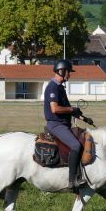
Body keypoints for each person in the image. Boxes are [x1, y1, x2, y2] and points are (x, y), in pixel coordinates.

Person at [44, 59, 94, 192]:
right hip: (56, 125)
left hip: (64, 124)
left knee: (82, 140)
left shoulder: (60, 88)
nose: (69, 75)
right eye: (68, 72)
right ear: (61, 71)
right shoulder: (53, 87)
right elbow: (55, 109)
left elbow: (67, 108)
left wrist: (84, 118)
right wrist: (72, 109)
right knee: (76, 145)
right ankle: (72, 180)